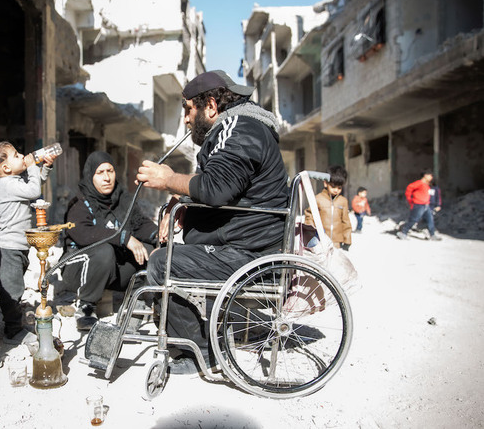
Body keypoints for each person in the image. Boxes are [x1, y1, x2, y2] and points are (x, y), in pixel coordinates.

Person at [136, 70, 289, 375]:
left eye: (187, 109)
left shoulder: (239, 127)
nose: (186, 119)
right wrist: (182, 202)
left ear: (210, 105)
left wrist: (169, 180)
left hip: (251, 255)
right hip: (245, 246)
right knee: (165, 255)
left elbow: (216, 188)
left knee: (161, 263)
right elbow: (227, 186)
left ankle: (201, 353)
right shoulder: (237, 127)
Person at [62, 151, 158, 331]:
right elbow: (84, 233)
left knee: (150, 249)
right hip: (79, 269)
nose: (107, 178)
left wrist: (158, 235)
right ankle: (85, 308)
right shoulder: (79, 203)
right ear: (91, 176)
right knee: (104, 250)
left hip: (110, 269)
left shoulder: (122, 199)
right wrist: (124, 237)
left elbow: (139, 224)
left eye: (110, 171)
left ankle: (135, 301)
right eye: (100, 173)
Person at [0, 141, 56, 346]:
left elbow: (35, 183)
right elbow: (33, 191)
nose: (22, 155)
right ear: (5, 168)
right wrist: (32, 165)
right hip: (9, 248)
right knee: (12, 290)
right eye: (15, 155)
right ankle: (13, 331)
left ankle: (14, 321)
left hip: (18, 246)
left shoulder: (14, 181)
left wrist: (45, 167)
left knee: (16, 286)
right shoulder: (7, 185)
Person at [304, 165, 353, 250]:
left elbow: (346, 222)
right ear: (325, 183)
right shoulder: (318, 199)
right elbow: (309, 216)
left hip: (337, 243)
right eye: (333, 186)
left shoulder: (343, 201)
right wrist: (311, 235)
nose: (336, 190)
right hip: (320, 240)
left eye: (339, 187)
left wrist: (347, 240)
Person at [398, 169, 442, 241]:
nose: (431, 177)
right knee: (413, 220)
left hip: (426, 205)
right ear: (426, 176)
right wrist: (410, 200)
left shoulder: (427, 185)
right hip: (418, 205)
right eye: (430, 176)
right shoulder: (419, 183)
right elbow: (409, 189)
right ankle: (403, 233)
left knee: (430, 220)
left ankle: (432, 235)